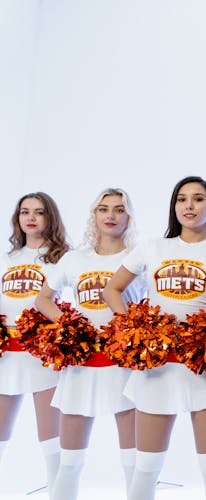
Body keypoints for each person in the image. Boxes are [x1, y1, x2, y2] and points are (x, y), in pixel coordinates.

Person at [103, 176, 206, 500]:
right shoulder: (153, 247)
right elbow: (112, 288)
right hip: (157, 367)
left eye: (197, 199)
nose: (189, 206)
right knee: (147, 468)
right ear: (174, 207)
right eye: (182, 199)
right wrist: (132, 328)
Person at [35, 188, 145, 499]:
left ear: (129, 216)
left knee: (133, 461)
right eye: (104, 209)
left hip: (124, 365)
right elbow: (43, 299)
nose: (111, 215)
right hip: (82, 365)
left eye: (120, 209)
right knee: (70, 461)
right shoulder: (74, 259)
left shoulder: (136, 258)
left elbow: (157, 304)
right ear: (93, 215)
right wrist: (69, 327)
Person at [0, 192, 69, 488]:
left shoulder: (63, 258)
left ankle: (58, 491)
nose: (30, 217)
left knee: (50, 433)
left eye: (39, 212)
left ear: (49, 218)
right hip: (7, 355)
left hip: (44, 354)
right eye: (24, 211)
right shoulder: (6, 259)